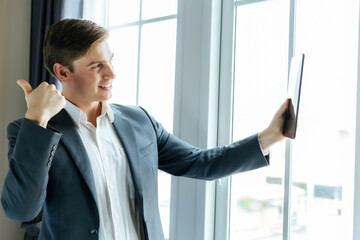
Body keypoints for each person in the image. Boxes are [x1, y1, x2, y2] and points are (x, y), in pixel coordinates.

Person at [1, 18, 289, 240]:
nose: (111, 74)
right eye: (96, 66)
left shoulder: (140, 122)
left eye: (111, 60)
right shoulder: (29, 131)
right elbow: (22, 210)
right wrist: (36, 119)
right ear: (63, 72)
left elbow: (201, 163)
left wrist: (270, 136)